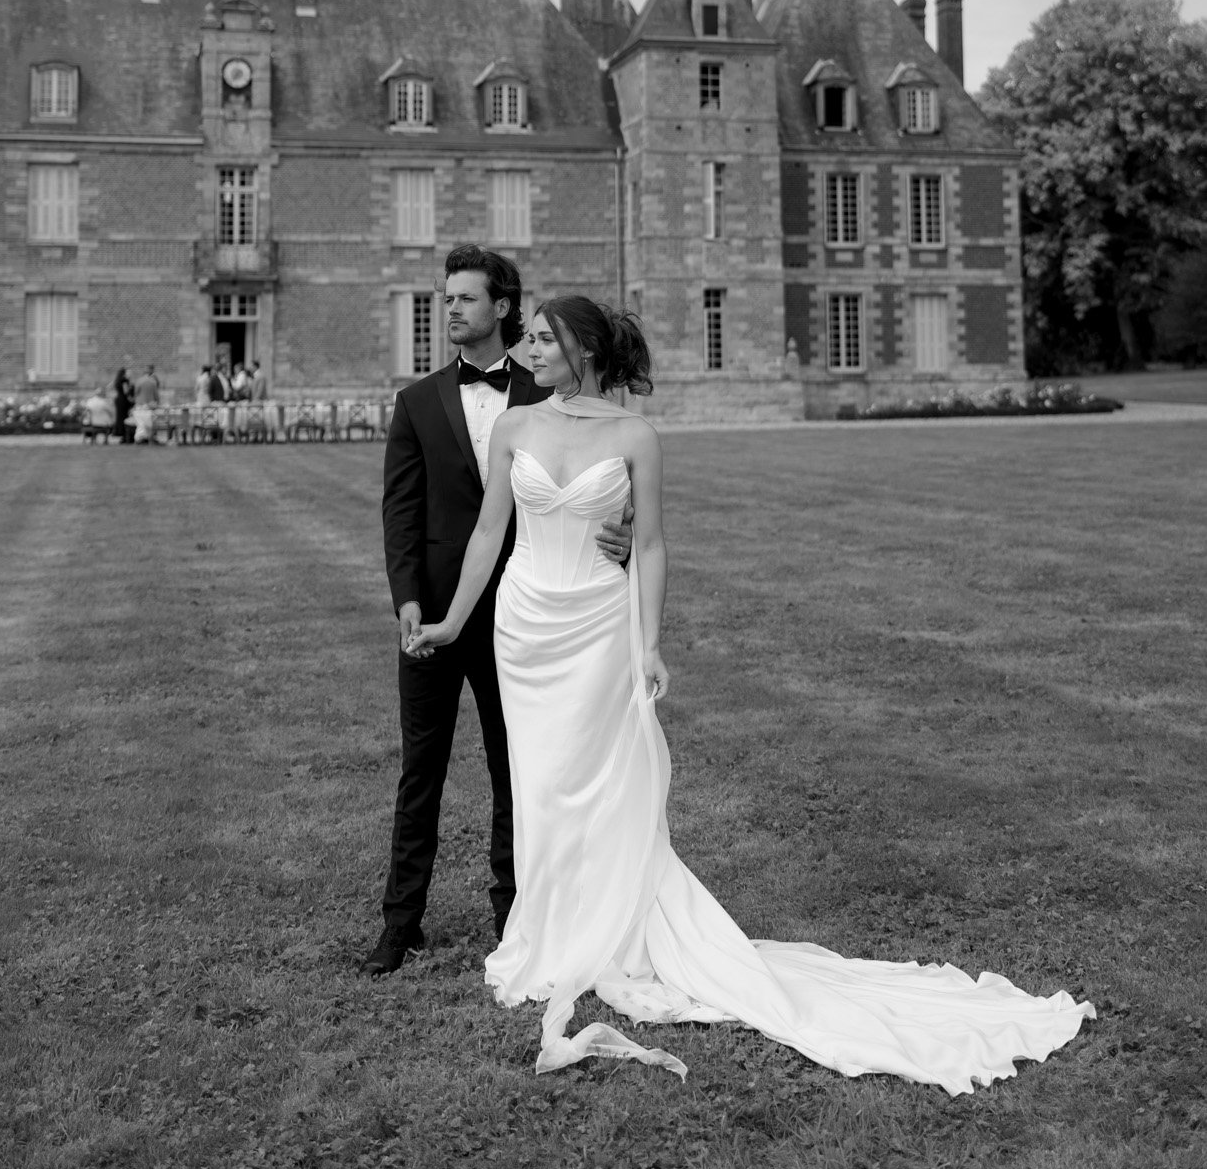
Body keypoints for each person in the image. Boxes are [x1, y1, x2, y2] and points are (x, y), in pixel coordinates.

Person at [407, 298, 1095, 1091]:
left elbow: (654, 542)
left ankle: (610, 930)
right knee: (540, 785)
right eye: (526, 337)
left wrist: (649, 641)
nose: (526, 349)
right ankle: (548, 933)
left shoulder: (634, 436)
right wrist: (456, 619)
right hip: (523, 626)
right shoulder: (517, 429)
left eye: (540, 339)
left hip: (597, 621)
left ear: (582, 352)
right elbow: (490, 530)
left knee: (597, 782)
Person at [363, 246, 632, 979]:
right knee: (421, 769)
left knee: (519, 769)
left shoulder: (549, 389)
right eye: (445, 298)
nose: (449, 309)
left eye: (464, 298)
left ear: (504, 307)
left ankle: (514, 917)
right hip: (437, 610)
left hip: (524, 613)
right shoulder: (416, 402)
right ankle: (400, 923)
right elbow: (400, 512)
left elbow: (604, 482)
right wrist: (410, 601)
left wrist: (624, 531)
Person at [132, 364, 159, 446]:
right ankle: (149, 439)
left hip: (140, 406)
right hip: (149, 406)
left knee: (140, 424)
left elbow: (136, 393)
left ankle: (139, 439)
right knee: (149, 424)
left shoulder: (139, 381)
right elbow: (156, 396)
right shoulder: (153, 382)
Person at [112, 367, 134, 446]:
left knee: (120, 418)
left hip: (119, 400)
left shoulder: (118, 380)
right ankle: (125, 435)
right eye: (129, 373)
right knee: (124, 418)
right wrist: (131, 399)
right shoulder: (124, 380)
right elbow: (126, 392)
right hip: (123, 401)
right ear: (125, 374)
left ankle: (122, 434)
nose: (130, 374)